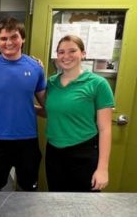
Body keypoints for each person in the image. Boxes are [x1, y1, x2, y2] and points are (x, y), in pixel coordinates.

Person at [0, 17, 46, 191]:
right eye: (4, 38)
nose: (9, 42)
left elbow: (48, 106)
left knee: (28, 189)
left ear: (23, 38)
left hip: (27, 140)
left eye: (14, 37)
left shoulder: (35, 67)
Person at [44, 34, 113, 192]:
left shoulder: (98, 84)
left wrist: (102, 169)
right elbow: (54, 113)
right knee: (56, 201)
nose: (66, 56)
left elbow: (105, 129)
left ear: (83, 53)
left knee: (84, 206)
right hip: (54, 152)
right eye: (61, 52)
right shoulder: (52, 83)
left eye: (72, 51)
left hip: (83, 153)